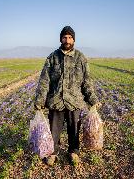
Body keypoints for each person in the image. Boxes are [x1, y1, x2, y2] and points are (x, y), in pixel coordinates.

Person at [34, 26, 101, 166]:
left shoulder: (80, 58)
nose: (67, 40)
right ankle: (52, 153)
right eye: (65, 37)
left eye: (70, 37)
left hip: (74, 102)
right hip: (56, 101)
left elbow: (87, 82)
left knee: (74, 129)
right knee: (54, 131)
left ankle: (73, 152)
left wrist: (93, 99)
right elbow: (44, 81)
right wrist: (39, 100)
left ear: (74, 40)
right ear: (60, 39)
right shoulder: (52, 57)